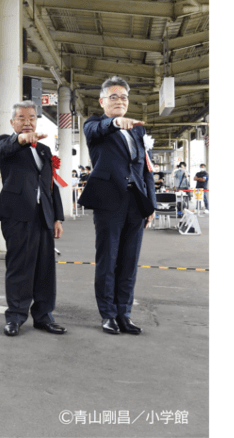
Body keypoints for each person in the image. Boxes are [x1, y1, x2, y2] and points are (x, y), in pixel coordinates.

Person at [78, 76, 156, 335]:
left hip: (136, 203)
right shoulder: (94, 124)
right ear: (102, 101)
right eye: (114, 96)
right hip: (109, 202)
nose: (120, 100)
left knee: (129, 262)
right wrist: (114, 122)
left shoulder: (138, 130)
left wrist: (151, 205)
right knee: (108, 260)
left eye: (123, 97)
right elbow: (97, 131)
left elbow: (145, 168)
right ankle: (108, 315)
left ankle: (124, 314)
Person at [0, 101, 66, 336]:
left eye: (32, 118)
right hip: (17, 215)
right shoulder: (5, 142)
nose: (27, 122)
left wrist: (57, 218)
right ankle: (15, 316)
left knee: (45, 268)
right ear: (13, 122)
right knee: (19, 267)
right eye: (21, 118)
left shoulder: (44, 150)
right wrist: (20, 139)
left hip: (43, 215)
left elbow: (50, 186)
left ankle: (44, 316)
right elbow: (5, 149)